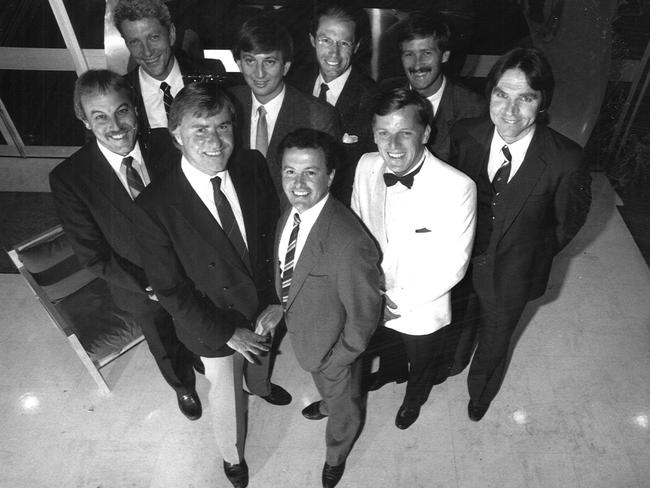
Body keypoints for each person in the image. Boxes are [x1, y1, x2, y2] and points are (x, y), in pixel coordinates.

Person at [135, 83, 291, 488]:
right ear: (176, 135)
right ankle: (231, 455)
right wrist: (227, 333)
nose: (214, 140)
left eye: (223, 127)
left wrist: (276, 298)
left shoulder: (252, 164)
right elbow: (171, 291)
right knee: (226, 397)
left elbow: (270, 235)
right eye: (199, 129)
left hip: (260, 302)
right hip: (211, 323)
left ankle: (261, 386)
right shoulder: (154, 206)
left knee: (262, 358)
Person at [49, 69, 201, 421]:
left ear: (135, 108)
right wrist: (150, 284)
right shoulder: (70, 179)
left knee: (195, 321)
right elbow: (93, 255)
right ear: (84, 121)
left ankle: (200, 356)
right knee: (162, 339)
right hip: (138, 286)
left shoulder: (166, 143)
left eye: (122, 111)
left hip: (190, 267)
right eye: (99, 116)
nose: (115, 125)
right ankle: (182, 386)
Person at [449, 47, 592, 421]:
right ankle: (454, 363)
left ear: (543, 102)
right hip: (461, 264)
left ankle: (480, 394)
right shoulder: (464, 135)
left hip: (513, 273)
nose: (510, 111)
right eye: (502, 95)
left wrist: (526, 255)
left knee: (496, 339)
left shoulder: (566, 159)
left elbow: (566, 225)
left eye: (525, 97)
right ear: (490, 94)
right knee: (461, 323)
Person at [352, 88, 476, 429]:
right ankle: (388, 375)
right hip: (374, 293)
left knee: (421, 364)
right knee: (383, 349)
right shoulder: (365, 166)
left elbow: (454, 264)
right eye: (383, 133)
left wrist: (395, 302)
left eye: (404, 133)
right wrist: (369, 290)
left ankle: (413, 400)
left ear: (425, 133)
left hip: (421, 305)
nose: (392, 145)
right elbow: (357, 231)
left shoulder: (457, 186)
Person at [263, 128, 381, 488]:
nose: (297, 183)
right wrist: (282, 307)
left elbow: (363, 317)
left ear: (330, 176)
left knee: (344, 407)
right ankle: (329, 401)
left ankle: (337, 454)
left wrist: (340, 358)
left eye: (310, 172)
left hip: (335, 352)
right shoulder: (290, 215)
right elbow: (293, 276)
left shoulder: (349, 243)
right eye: (289, 171)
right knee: (328, 388)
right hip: (309, 338)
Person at [228, 13, 342, 201]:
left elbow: (324, 190)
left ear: (286, 66)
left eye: (269, 62)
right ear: (239, 64)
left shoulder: (318, 115)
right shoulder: (228, 104)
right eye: (250, 61)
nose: (259, 73)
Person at [288, 2, 379, 204]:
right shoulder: (294, 84)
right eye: (325, 40)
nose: (334, 53)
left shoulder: (373, 98)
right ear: (312, 40)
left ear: (356, 46)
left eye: (344, 43)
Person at [114, 0, 227, 156]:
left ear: (171, 34)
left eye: (153, 37)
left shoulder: (210, 75)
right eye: (135, 42)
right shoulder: (120, 92)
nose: (147, 52)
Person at [381, 12, 484, 163]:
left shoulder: (473, 108)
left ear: (445, 56)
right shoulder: (383, 94)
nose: (417, 64)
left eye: (426, 53)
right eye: (409, 54)